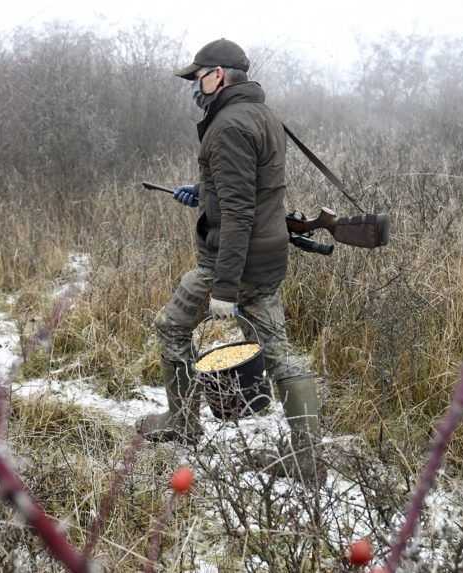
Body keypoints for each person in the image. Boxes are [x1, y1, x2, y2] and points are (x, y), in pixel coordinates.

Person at [136, 38, 323, 484]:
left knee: (172, 325)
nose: (194, 87)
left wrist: (223, 289)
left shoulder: (229, 127)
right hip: (265, 256)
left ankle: (182, 422)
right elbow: (250, 190)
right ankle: (309, 459)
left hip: (230, 261)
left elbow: (239, 213)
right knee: (280, 353)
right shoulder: (261, 115)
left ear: (218, 75)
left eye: (198, 77)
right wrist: (202, 193)